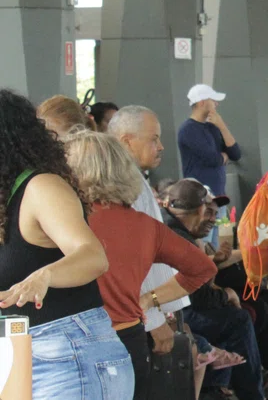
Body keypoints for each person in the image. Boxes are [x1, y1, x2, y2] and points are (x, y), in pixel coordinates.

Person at [0, 90, 134, 400]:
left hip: (67, 355)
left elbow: (91, 255)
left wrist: (44, 276)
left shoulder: (40, 188)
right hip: (19, 357)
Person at [64, 131, 216, 400]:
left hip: (76, 344)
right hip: (131, 341)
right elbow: (202, 268)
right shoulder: (145, 226)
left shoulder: (67, 222)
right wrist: (149, 299)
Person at [163, 180, 265, 400]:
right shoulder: (180, 239)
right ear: (195, 209)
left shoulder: (177, 231)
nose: (213, 219)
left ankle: (219, 387)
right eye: (209, 212)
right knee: (237, 319)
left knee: (250, 308)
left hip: (174, 310)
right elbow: (198, 297)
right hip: (173, 316)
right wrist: (226, 294)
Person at [107, 106, 195, 358]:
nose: (161, 146)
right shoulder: (124, 185)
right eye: (153, 139)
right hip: (138, 316)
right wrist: (155, 319)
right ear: (126, 141)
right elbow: (131, 258)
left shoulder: (133, 179)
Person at [178, 84, 241, 239]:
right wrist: (222, 157)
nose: (216, 104)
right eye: (213, 100)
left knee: (217, 245)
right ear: (202, 103)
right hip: (200, 200)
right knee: (205, 242)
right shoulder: (188, 130)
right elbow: (213, 159)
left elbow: (235, 153)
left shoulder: (212, 127)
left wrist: (221, 125)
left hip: (218, 197)